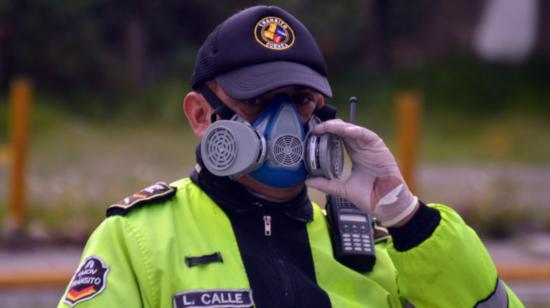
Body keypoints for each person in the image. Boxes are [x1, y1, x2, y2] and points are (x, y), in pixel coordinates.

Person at [58, 5, 523, 308]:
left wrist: (407, 216)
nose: (284, 125)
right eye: (257, 101)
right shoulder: (137, 240)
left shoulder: (380, 251)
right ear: (202, 115)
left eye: (299, 101)